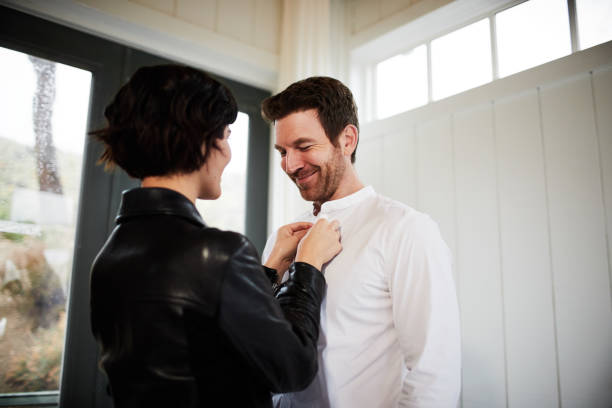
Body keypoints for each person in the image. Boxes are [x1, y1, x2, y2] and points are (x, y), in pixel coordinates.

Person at [88, 65, 343, 408]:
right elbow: (292, 367)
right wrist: (307, 266)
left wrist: (266, 273)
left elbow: (211, 345)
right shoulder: (216, 254)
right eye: (225, 135)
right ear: (201, 141)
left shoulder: (109, 257)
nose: (227, 152)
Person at [261, 76, 461, 407]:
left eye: (304, 146)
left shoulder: (405, 230)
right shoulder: (282, 242)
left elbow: (434, 374)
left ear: (347, 139)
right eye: (283, 151)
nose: (290, 165)